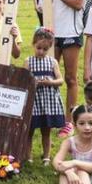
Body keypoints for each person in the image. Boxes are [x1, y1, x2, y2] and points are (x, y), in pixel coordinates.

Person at [43, 0, 90, 137]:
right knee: (49, 74)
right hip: (56, 32)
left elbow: (78, 3)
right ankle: (49, 117)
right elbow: (57, 2)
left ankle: (69, 120)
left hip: (71, 33)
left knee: (70, 77)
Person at [28, 28, 66, 164]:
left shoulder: (52, 62)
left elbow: (60, 80)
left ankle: (46, 156)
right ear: (34, 44)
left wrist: (51, 82)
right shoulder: (29, 61)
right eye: (38, 48)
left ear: (49, 48)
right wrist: (32, 83)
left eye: (45, 49)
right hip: (34, 102)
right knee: (29, 130)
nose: (41, 51)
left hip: (48, 101)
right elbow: (24, 80)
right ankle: (28, 156)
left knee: (46, 131)